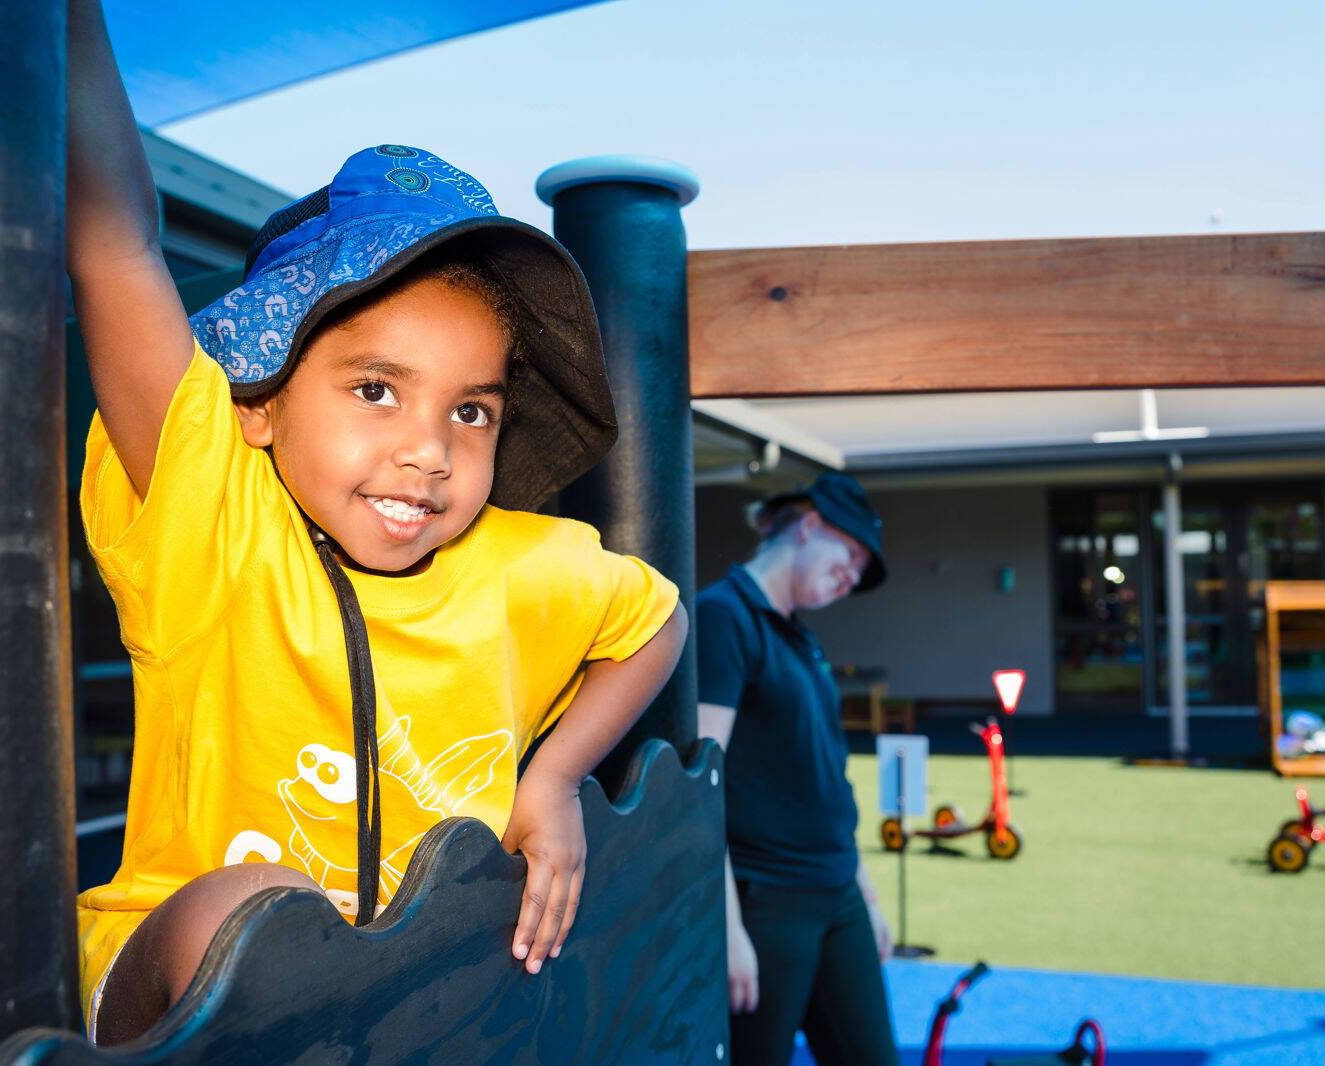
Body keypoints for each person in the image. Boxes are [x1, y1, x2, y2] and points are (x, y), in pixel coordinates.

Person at [66, 0, 687, 1044]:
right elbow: (117, 249)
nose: (430, 448)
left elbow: (655, 623)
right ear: (259, 401)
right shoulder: (212, 523)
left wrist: (553, 777)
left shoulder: (519, 569)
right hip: (184, 994)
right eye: (375, 390)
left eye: (472, 408)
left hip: (417, 1010)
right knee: (260, 915)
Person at [697, 473, 898, 1066]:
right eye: (852, 555)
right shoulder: (723, 619)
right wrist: (727, 926)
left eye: (859, 573)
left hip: (838, 894)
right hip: (768, 902)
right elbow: (699, 789)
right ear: (809, 526)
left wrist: (867, 895)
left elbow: (827, 781)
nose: (851, 577)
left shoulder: (802, 642)